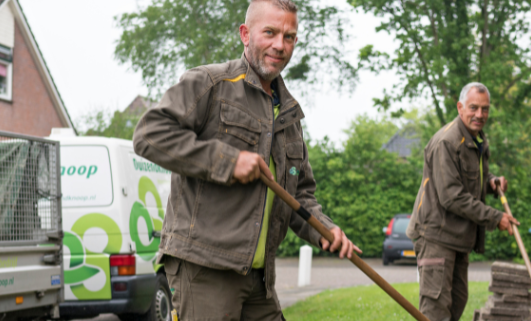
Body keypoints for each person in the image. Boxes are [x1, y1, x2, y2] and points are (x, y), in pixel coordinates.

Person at [132, 0, 360, 319]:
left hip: (258, 279)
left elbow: (299, 196)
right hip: (205, 270)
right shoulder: (210, 84)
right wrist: (227, 161)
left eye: (289, 36)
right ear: (245, 34)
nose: (280, 45)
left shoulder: (289, 116)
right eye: (270, 32)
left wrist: (324, 229)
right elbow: (149, 135)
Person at [406, 82, 518, 321]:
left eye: (485, 109)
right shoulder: (447, 142)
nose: (480, 115)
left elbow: (470, 177)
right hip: (436, 236)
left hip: (457, 238)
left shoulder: (475, 139)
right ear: (460, 107)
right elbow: (452, 197)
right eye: (473, 108)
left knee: (457, 303)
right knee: (436, 311)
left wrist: (491, 182)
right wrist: (495, 217)